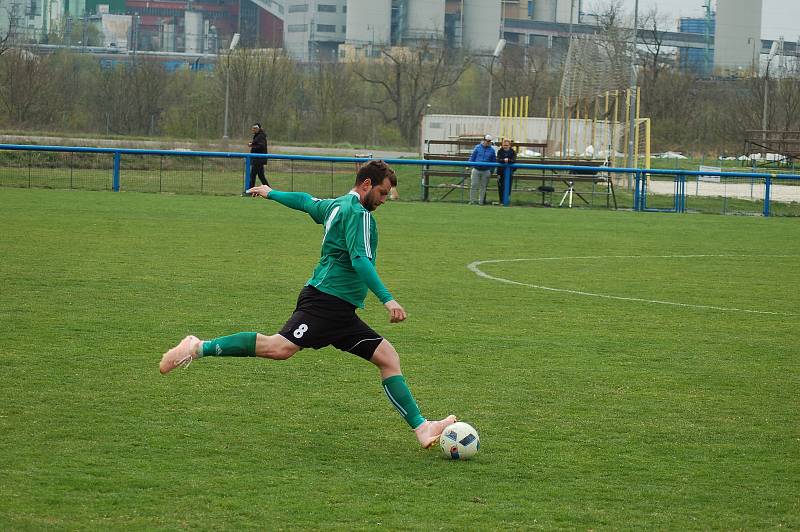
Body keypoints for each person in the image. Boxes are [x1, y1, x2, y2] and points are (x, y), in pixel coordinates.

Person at [159, 159, 456, 449]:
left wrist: (270, 192)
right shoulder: (359, 214)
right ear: (366, 184)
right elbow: (360, 260)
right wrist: (387, 298)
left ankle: (422, 426)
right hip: (325, 302)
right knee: (279, 348)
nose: (383, 200)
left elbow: (304, 201)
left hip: (340, 311)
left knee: (388, 358)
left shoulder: (336, 204)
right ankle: (197, 347)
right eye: (381, 193)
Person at [468, 134, 496, 205]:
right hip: (476, 169)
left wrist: (491, 171)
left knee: (483, 187)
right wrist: (468, 166)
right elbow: (472, 157)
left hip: (486, 170)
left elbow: (494, 161)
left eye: (489, 141)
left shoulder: (492, 150)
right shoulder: (477, 147)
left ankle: (481, 202)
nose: (488, 142)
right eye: (487, 140)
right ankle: (472, 201)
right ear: (484, 140)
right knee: (474, 185)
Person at [247, 122, 269, 190]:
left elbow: (261, 146)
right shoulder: (258, 135)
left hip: (258, 159)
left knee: (252, 176)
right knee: (261, 176)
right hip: (258, 159)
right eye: (253, 128)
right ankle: (270, 190)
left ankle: (250, 191)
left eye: (255, 128)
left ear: (259, 129)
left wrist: (252, 145)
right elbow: (258, 144)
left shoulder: (261, 136)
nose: (253, 130)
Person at [496, 138, 517, 203]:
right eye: (504, 145)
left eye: (506, 145)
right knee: (500, 187)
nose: (505, 146)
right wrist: (504, 160)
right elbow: (498, 159)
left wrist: (508, 160)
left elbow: (513, 160)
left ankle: (507, 200)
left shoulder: (513, 152)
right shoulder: (500, 151)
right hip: (500, 172)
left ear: (509, 145)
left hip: (509, 172)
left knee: (508, 186)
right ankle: (501, 201)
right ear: (502, 145)